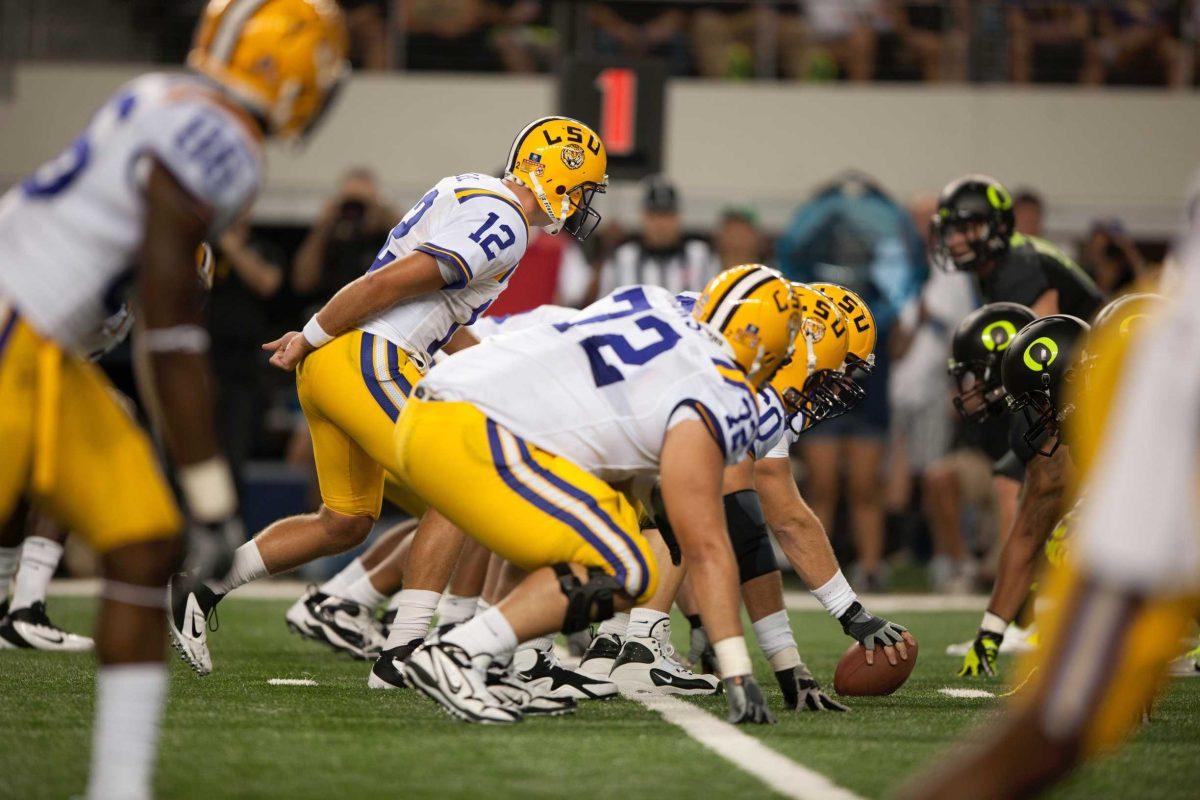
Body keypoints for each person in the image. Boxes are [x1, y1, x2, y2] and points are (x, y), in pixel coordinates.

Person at [0, 2, 347, 798]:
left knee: (143, 540)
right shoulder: (220, 135)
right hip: (14, 334)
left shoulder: (168, 95)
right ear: (285, 70)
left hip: (42, 344)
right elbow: (170, 328)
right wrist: (212, 493)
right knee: (154, 531)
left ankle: (119, 787)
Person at [168, 117, 609, 682]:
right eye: (583, 188)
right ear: (556, 175)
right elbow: (388, 285)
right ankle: (404, 651)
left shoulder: (476, 193)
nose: (581, 204)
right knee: (465, 485)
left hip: (344, 362)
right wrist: (312, 332)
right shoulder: (506, 221)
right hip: (368, 357)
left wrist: (496, 373)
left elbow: (432, 315)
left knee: (346, 521)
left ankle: (200, 588)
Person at [395, 265, 798, 724]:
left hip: (438, 411)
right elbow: (707, 546)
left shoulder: (652, 300)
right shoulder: (719, 389)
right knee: (628, 569)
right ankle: (456, 652)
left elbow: (610, 429)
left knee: (578, 532)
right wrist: (738, 672)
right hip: (475, 430)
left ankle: (499, 665)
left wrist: (649, 492)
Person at [897, 260, 1191, 799]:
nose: (1033, 418)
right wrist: (990, 635)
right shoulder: (1085, 421)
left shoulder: (1144, 407)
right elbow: (1030, 532)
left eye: (1037, 399)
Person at [596, 175, 719, 299]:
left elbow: (714, 304)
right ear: (643, 216)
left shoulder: (701, 256)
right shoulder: (623, 259)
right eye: (654, 215)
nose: (661, 224)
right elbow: (604, 309)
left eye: (667, 215)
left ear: (679, 217)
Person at [292, 168, 398, 303]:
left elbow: (411, 257)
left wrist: (384, 215)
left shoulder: (386, 235)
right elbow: (303, 282)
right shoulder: (329, 235)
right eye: (350, 204)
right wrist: (323, 226)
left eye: (361, 205)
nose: (355, 211)